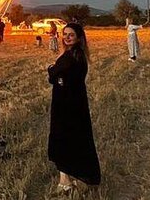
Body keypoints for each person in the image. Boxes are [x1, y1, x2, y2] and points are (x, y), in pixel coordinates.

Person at [47, 23, 101, 194]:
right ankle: (70, 177)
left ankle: (65, 181)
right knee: (74, 138)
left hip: (66, 105)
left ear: (78, 37)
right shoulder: (79, 55)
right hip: (76, 103)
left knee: (62, 139)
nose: (67, 37)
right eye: (65, 34)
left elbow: (53, 74)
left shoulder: (70, 57)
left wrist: (52, 70)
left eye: (71, 34)